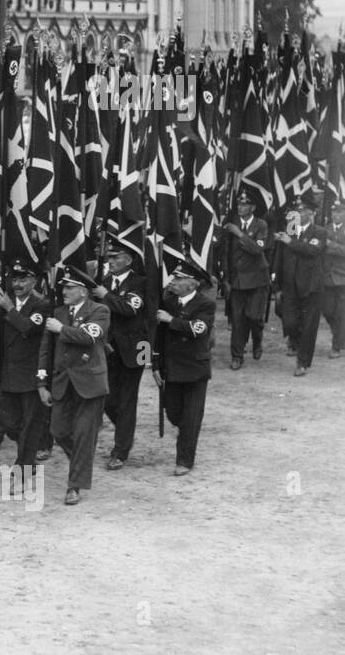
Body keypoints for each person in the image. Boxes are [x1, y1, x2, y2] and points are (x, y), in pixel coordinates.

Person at [37, 267, 110, 506]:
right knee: (59, 431)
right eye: (64, 287)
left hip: (90, 382)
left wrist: (61, 329)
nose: (64, 291)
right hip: (62, 383)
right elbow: (46, 350)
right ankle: (82, 462)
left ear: (83, 291)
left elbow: (89, 336)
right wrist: (42, 383)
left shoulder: (100, 310)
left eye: (69, 287)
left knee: (83, 434)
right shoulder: (58, 312)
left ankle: (74, 485)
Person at [154, 261, 215, 476]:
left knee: (191, 418)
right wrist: (155, 365)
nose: (174, 282)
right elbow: (158, 338)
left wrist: (172, 321)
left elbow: (198, 329)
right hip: (172, 368)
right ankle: (187, 433)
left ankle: (184, 460)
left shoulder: (205, 304)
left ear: (192, 285)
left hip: (195, 369)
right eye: (174, 278)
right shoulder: (168, 303)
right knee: (173, 412)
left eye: (179, 279)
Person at [0, 259, 50, 485]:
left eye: (23, 279)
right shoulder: (1, 302)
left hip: (30, 373)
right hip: (7, 373)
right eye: (14, 279)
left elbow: (28, 328)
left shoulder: (41, 305)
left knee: (30, 423)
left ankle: (25, 464)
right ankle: (28, 454)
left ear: (34, 281)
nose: (17, 284)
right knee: (10, 423)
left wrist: (9, 308)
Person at [93, 239, 150, 470]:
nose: (112, 261)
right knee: (108, 398)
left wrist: (105, 295)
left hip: (136, 349)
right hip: (109, 349)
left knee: (128, 400)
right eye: (110, 257)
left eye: (116, 257)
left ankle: (120, 450)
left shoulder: (141, 282)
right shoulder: (104, 282)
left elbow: (130, 308)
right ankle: (126, 431)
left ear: (128, 259)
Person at [272, 191, 327, 376]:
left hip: (311, 288)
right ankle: (294, 341)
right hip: (290, 287)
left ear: (310, 214)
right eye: (296, 210)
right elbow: (279, 260)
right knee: (290, 322)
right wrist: (277, 287)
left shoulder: (319, 232)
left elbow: (312, 250)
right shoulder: (289, 231)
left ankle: (302, 363)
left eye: (301, 211)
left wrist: (289, 242)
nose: (297, 213)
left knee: (309, 327)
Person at [222, 188, 271, 368]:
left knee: (254, 317)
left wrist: (239, 233)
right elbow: (225, 253)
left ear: (253, 207)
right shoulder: (230, 223)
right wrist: (225, 278)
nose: (241, 207)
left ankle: (257, 341)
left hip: (258, 279)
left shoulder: (261, 225)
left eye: (245, 204)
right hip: (237, 280)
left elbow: (258, 249)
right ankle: (237, 356)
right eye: (239, 204)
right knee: (238, 319)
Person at [324, 202, 345, 358]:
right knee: (327, 311)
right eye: (334, 213)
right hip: (327, 277)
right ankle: (339, 334)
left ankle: (336, 346)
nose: (336, 215)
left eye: (340, 212)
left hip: (343, 277)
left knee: (340, 313)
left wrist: (332, 245)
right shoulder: (326, 229)